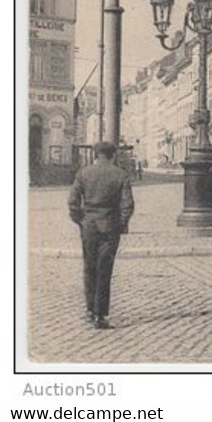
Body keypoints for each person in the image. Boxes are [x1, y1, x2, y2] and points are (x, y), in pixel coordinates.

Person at [68, 140, 134, 330]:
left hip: (89, 225)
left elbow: (72, 201)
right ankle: (100, 315)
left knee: (89, 267)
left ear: (96, 155)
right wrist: (120, 224)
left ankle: (89, 310)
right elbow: (127, 205)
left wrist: (80, 220)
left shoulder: (84, 173)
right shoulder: (120, 175)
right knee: (105, 269)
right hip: (109, 225)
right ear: (113, 155)